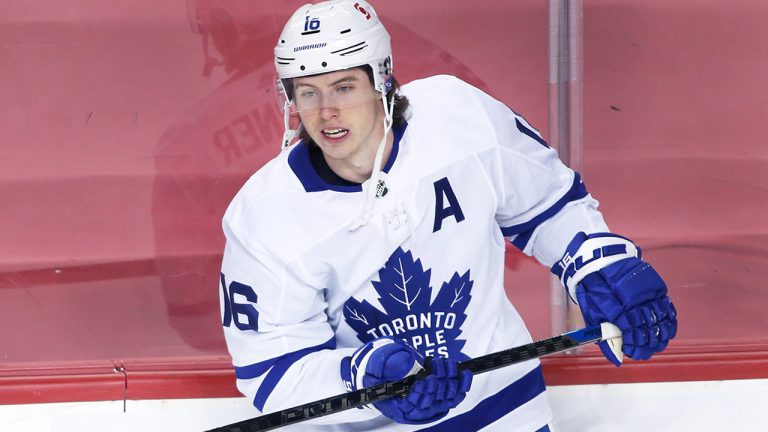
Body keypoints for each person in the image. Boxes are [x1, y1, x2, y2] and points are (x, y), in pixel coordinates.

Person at [218, 0, 678, 430]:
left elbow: (547, 205)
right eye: (308, 93)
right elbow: (272, 373)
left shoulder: (458, 115)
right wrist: (364, 377)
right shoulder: (264, 216)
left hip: (508, 407)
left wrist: (599, 267)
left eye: (344, 86)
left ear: (382, 81)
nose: (327, 111)